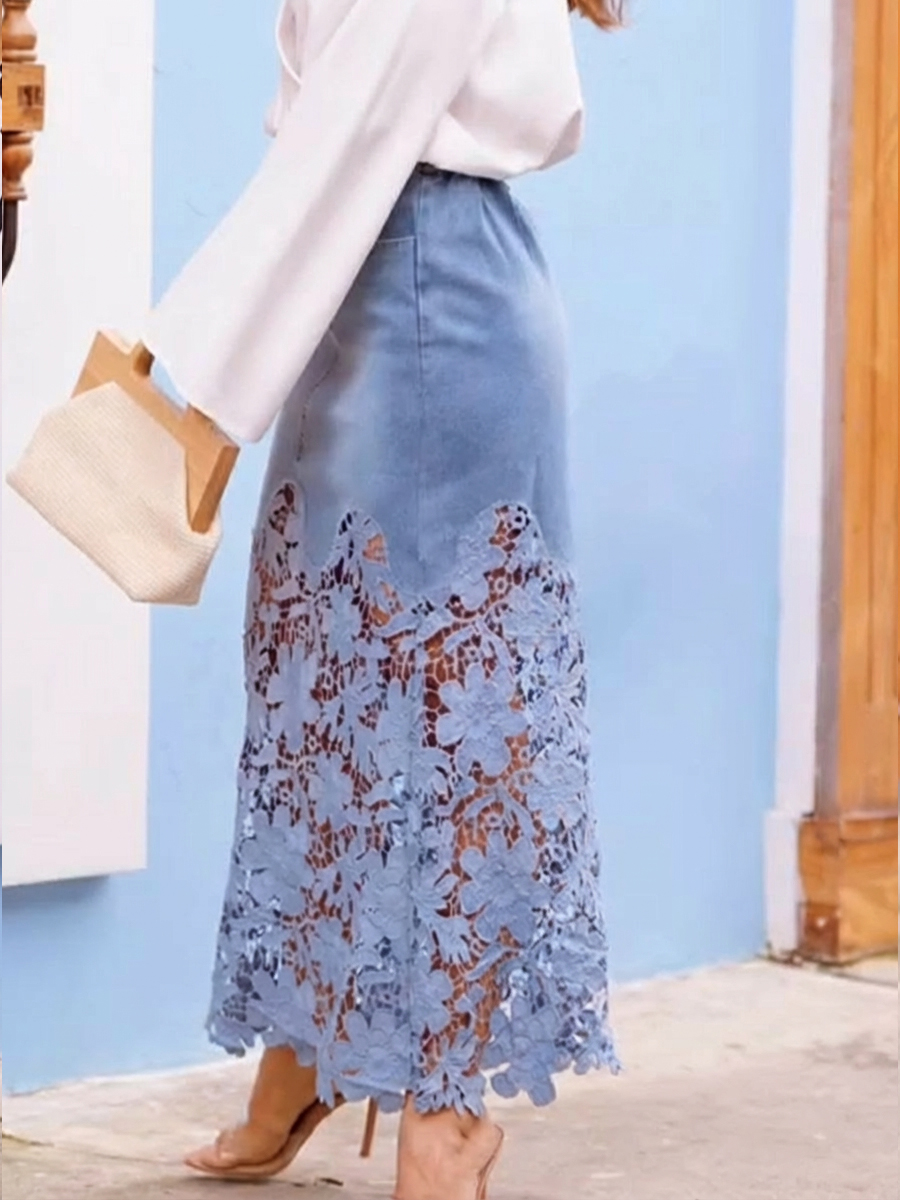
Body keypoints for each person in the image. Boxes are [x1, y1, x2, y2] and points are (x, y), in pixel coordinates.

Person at [143, 1, 623, 1196]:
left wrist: (199, 381)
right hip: (360, 288)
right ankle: (308, 1053)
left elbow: (350, 130)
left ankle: (446, 1111)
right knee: (327, 691)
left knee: (445, 721)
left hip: (427, 291)